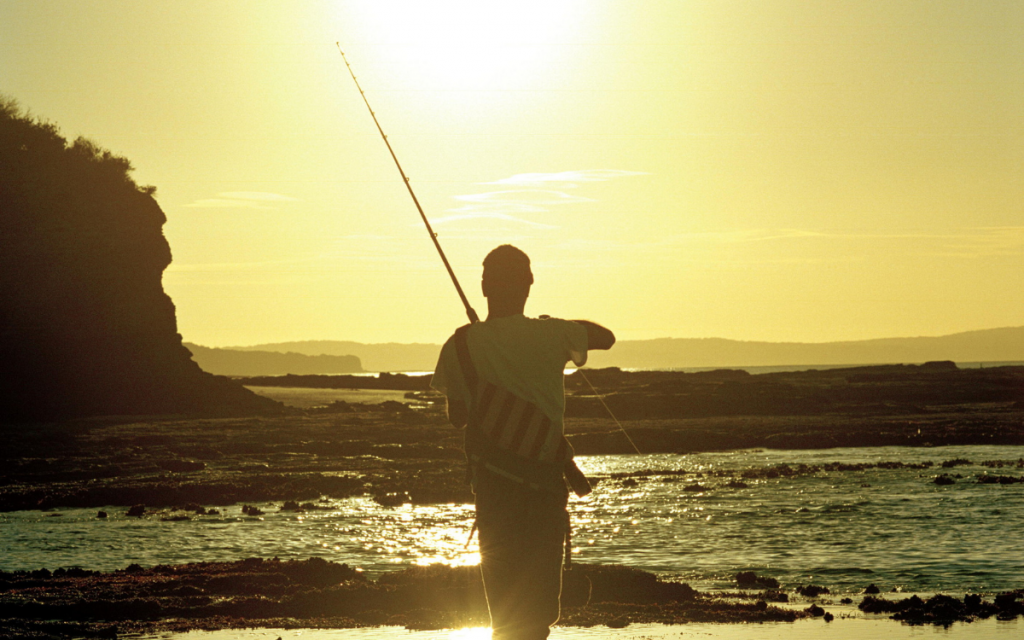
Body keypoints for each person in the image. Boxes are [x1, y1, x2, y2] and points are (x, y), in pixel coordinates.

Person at [430, 244, 615, 640]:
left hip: (494, 491)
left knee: (505, 611)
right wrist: (555, 324)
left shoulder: (460, 345)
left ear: (483, 287)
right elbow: (606, 337)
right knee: (538, 613)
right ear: (529, 284)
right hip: (546, 489)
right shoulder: (551, 333)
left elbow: (457, 417)